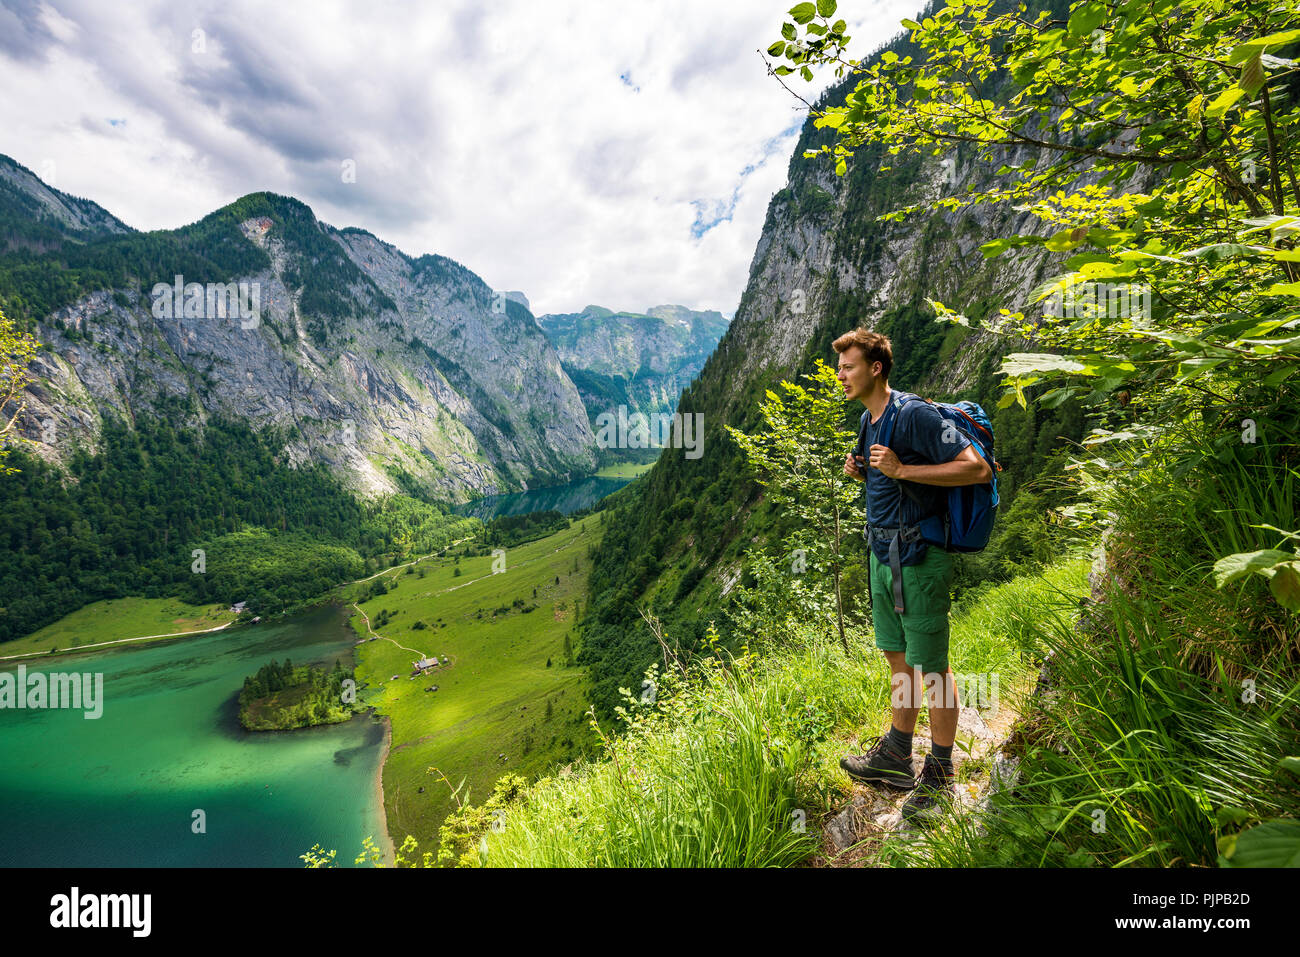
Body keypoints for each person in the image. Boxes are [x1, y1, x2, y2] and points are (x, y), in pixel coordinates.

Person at [833, 328, 991, 824]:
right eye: (840, 367)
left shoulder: (915, 415)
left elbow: (977, 468)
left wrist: (903, 471)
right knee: (898, 657)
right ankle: (898, 756)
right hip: (883, 556)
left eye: (848, 366)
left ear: (876, 368)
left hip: (921, 558)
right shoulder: (869, 419)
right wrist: (865, 472)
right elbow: (885, 476)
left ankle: (941, 771)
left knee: (933, 668)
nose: (840, 375)